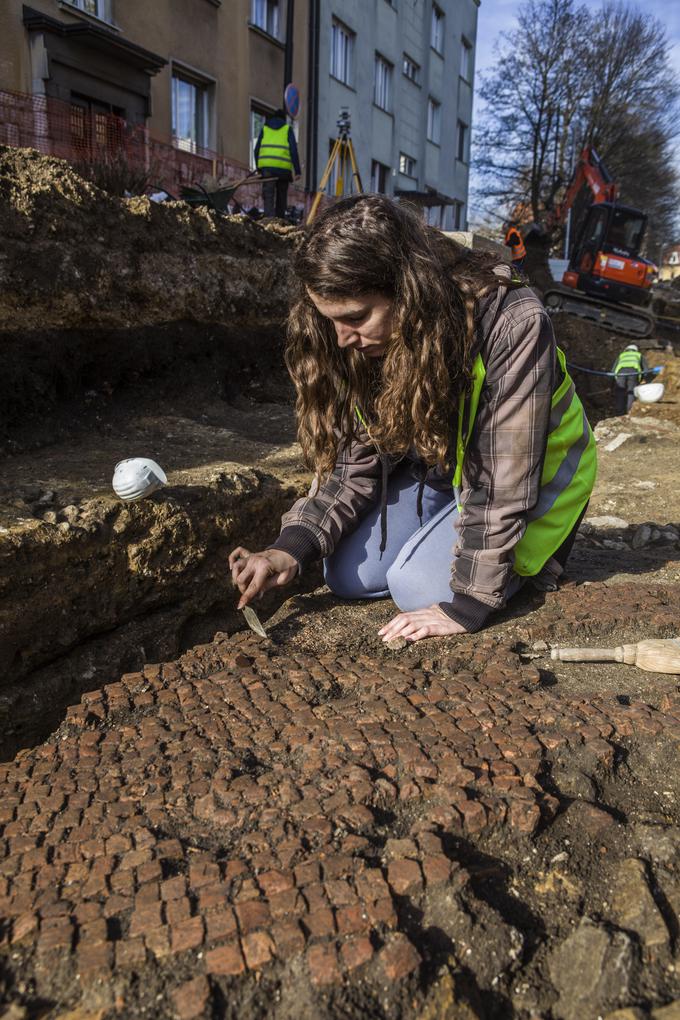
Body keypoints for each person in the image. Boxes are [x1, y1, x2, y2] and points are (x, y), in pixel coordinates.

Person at [230, 195, 597, 644]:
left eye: (356, 317)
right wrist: (290, 548)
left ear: (408, 291)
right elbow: (355, 461)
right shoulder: (369, 340)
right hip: (453, 469)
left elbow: (505, 478)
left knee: (416, 586)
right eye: (331, 321)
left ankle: (534, 560)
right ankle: (444, 527)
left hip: (536, 478)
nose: (342, 339)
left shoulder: (512, 320)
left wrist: (470, 604)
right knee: (348, 576)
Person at [254, 109, 301, 219]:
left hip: (268, 169)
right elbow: (293, 150)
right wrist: (297, 170)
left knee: (268, 195)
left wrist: (259, 168)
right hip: (283, 169)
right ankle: (279, 220)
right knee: (281, 195)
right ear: (284, 119)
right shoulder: (287, 129)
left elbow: (256, 149)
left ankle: (268, 220)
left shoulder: (265, 129)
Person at [611, 343, 648, 415]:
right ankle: (629, 411)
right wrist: (643, 379)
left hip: (621, 373)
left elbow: (613, 370)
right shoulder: (639, 355)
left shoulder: (621, 355)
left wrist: (613, 383)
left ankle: (619, 412)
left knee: (620, 391)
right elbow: (646, 370)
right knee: (631, 391)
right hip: (633, 373)